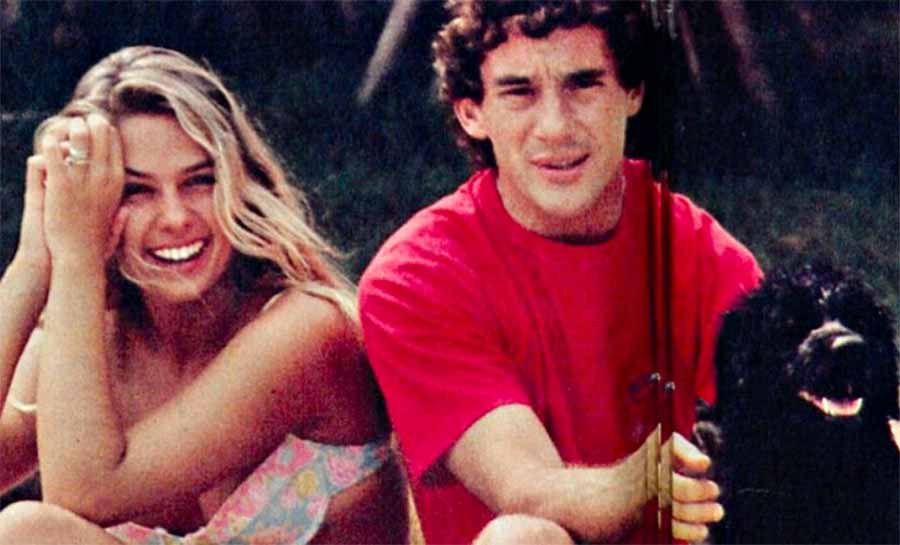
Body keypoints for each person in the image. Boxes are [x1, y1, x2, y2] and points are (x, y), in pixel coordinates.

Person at [358, 1, 763, 543]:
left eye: (584, 84)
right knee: (521, 537)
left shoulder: (701, 252)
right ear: (471, 112)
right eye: (519, 92)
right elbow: (527, 490)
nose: (555, 126)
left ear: (633, 93)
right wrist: (650, 477)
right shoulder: (416, 277)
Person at [0, 46, 408, 545]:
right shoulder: (92, 343)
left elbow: (83, 494)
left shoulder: (306, 328)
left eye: (199, 181)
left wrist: (77, 257)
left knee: (25, 532)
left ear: (238, 183)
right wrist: (31, 268)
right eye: (135, 190)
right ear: (87, 202)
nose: (175, 218)